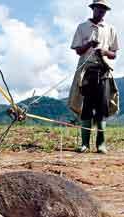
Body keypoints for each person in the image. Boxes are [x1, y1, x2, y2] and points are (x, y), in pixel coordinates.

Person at [68, 0, 119, 154]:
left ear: (106, 11)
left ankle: (101, 144)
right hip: (86, 72)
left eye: (104, 9)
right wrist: (89, 44)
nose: (101, 11)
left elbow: (114, 54)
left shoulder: (110, 29)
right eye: (99, 8)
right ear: (93, 9)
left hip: (103, 72)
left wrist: (104, 52)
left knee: (102, 108)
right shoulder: (82, 27)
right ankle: (84, 144)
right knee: (86, 108)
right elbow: (77, 50)